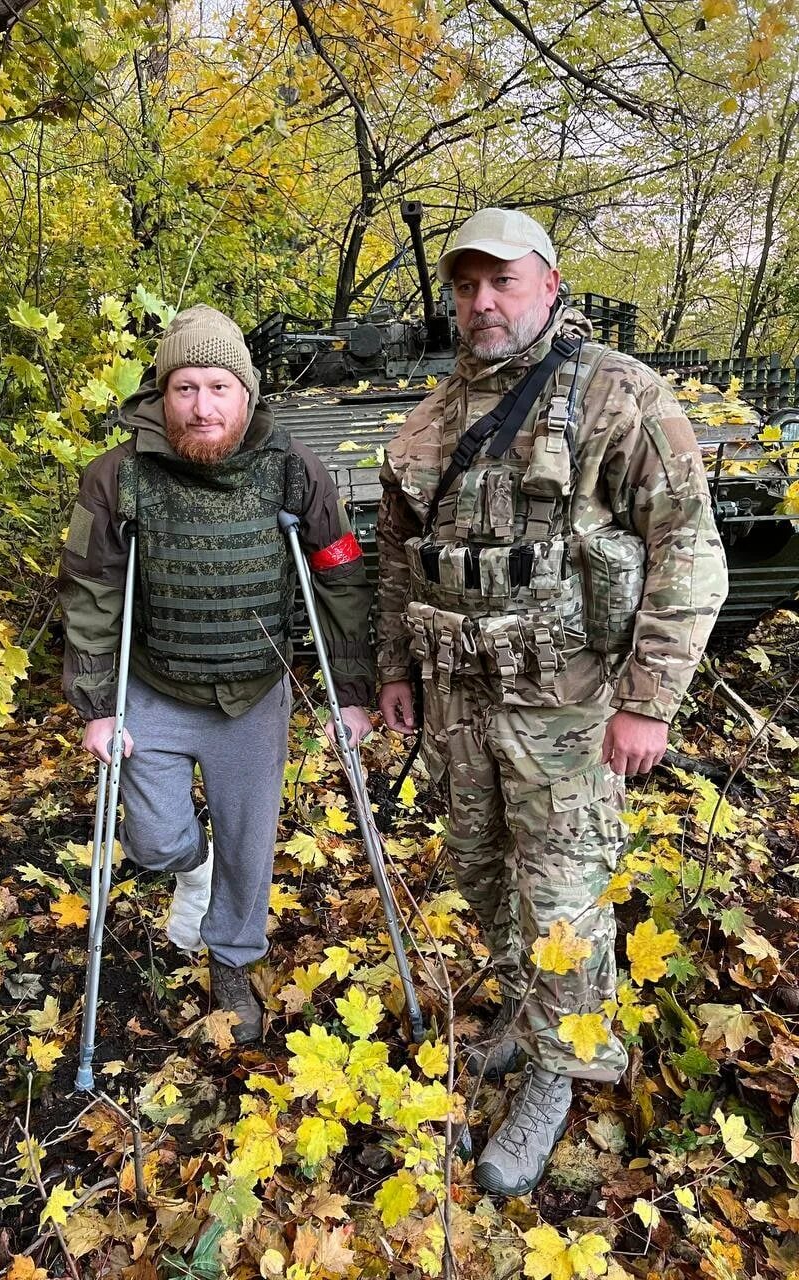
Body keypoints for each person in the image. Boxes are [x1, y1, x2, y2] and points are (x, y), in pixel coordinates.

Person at [376, 208, 727, 1195]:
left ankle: (560, 1070)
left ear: (551, 284)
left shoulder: (621, 398)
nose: (482, 302)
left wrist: (650, 701)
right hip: (458, 704)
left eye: (503, 281)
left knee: (563, 896)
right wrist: (397, 666)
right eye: (466, 285)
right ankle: (529, 1022)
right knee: (485, 871)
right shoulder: (429, 419)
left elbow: (688, 552)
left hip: (570, 711)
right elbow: (402, 565)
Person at [60, 304, 374, 1046]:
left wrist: (352, 690)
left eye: (219, 387)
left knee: (247, 840)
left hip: (253, 693)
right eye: (185, 388)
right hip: (154, 687)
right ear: (161, 394)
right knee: (159, 841)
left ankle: (232, 958)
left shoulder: (294, 467)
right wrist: (97, 705)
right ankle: (185, 870)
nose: (202, 406)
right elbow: (92, 589)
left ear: (248, 393)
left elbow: (340, 578)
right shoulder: (117, 477)